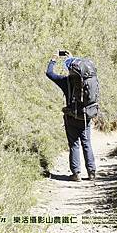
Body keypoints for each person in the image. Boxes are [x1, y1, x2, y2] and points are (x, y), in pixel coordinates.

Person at [46, 54, 96, 182]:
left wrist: (53, 60)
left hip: (71, 117)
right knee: (87, 144)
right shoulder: (88, 80)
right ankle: (91, 172)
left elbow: (49, 73)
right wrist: (72, 57)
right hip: (86, 116)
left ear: (70, 70)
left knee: (74, 144)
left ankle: (76, 174)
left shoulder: (65, 82)